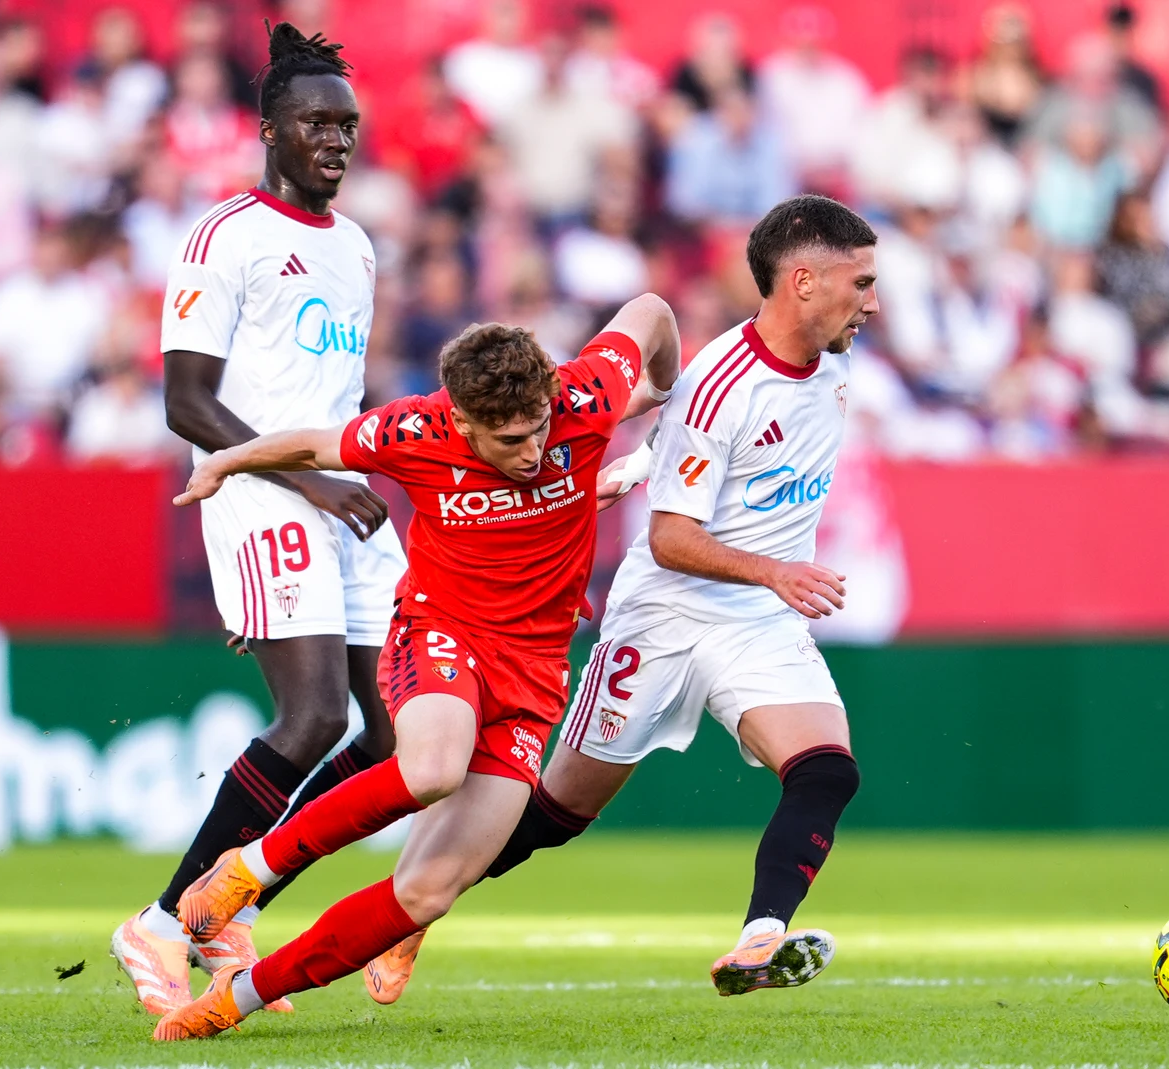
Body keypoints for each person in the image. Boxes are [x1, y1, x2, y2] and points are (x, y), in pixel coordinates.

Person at [363, 195, 881, 1005]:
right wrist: (778, 570)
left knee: (827, 772)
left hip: (757, 621)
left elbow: (691, 461)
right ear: (804, 282)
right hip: (667, 611)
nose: (874, 302)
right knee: (554, 812)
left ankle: (759, 937)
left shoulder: (837, 369)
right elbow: (672, 537)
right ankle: (410, 910)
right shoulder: (720, 380)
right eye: (862, 282)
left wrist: (650, 480)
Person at [150, 289, 681, 1039]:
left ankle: (237, 998)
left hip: (535, 670)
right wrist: (228, 462)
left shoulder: (586, 394)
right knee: (431, 765)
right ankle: (247, 869)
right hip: (443, 631)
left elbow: (653, 311)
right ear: (461, 420)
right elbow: (310, 445)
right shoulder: (414, 428)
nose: (532, 451)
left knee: (429, 889)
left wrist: (663, 389)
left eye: (538, 431)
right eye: (509, 440)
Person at [108, 22, 411, 1017]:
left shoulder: (358, 247)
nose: (336, 139)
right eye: (315, 122)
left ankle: (231, 901)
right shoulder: (224, 238)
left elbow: (332, 395)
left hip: (340, 499)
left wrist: (350, 478)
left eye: (347, 124)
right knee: (316, 713)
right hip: (255, 491)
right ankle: (158, 924)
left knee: (405, 733)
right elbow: (186, 401)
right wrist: (309, 489)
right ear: (270, 131)